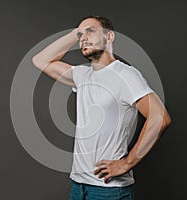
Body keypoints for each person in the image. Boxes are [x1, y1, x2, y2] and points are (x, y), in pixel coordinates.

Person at [32, 16, 171, 200]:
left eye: (90, 31)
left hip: (108, 189)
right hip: (78, 186)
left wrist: (127, 163)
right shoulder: (82, 75)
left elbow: (160, 117)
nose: (83, 38)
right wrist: (75, 34)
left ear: (109, 37)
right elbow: (40, 60)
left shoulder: (126, 75)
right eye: (81, 35)